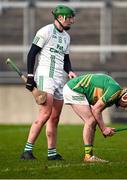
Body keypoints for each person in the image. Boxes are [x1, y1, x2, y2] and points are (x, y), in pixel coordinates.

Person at [20, 5, 76, 160]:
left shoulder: (66, 37)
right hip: (45, 76)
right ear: (61, 17)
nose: (72, 20)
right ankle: (27, 150)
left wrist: (69, 71)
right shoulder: (45, 31)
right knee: (45, 113)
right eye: (70, 17)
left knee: (55, 117)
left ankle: (51, 153)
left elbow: (66, 59)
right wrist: (31, 76)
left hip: (60, 79)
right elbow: (32, 54)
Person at [63, 73, 127, 163]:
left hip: (76, 90)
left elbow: (97, 112)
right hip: (74, 89)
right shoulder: (114, 92)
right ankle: (88, 156)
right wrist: (104, 129)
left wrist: (103, 128)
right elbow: (96, 110)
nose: (124, 108)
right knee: (90, 120)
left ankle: (89, 156)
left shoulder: (115, 94)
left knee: (92, 121)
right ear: (126, 97)